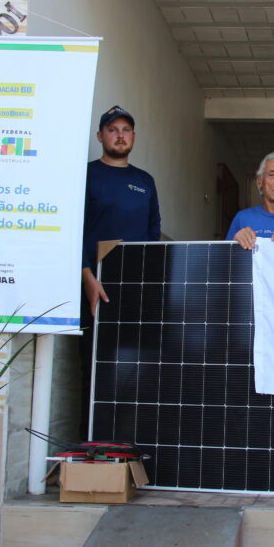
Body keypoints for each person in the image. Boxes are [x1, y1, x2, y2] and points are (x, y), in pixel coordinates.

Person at [79, 105, 160, 438]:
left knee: (135, 371)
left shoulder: (144, 181)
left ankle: (129, 444)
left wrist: (151, 285)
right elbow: (74, 230)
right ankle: (92, 447)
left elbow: (154, 232)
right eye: (113, 130)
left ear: (134, 137)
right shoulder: (86, 175)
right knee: (97, 370)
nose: (120, 135)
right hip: (94, 287)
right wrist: (87, 278)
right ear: (100, 136)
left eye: (126, 130)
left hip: (136, 290)